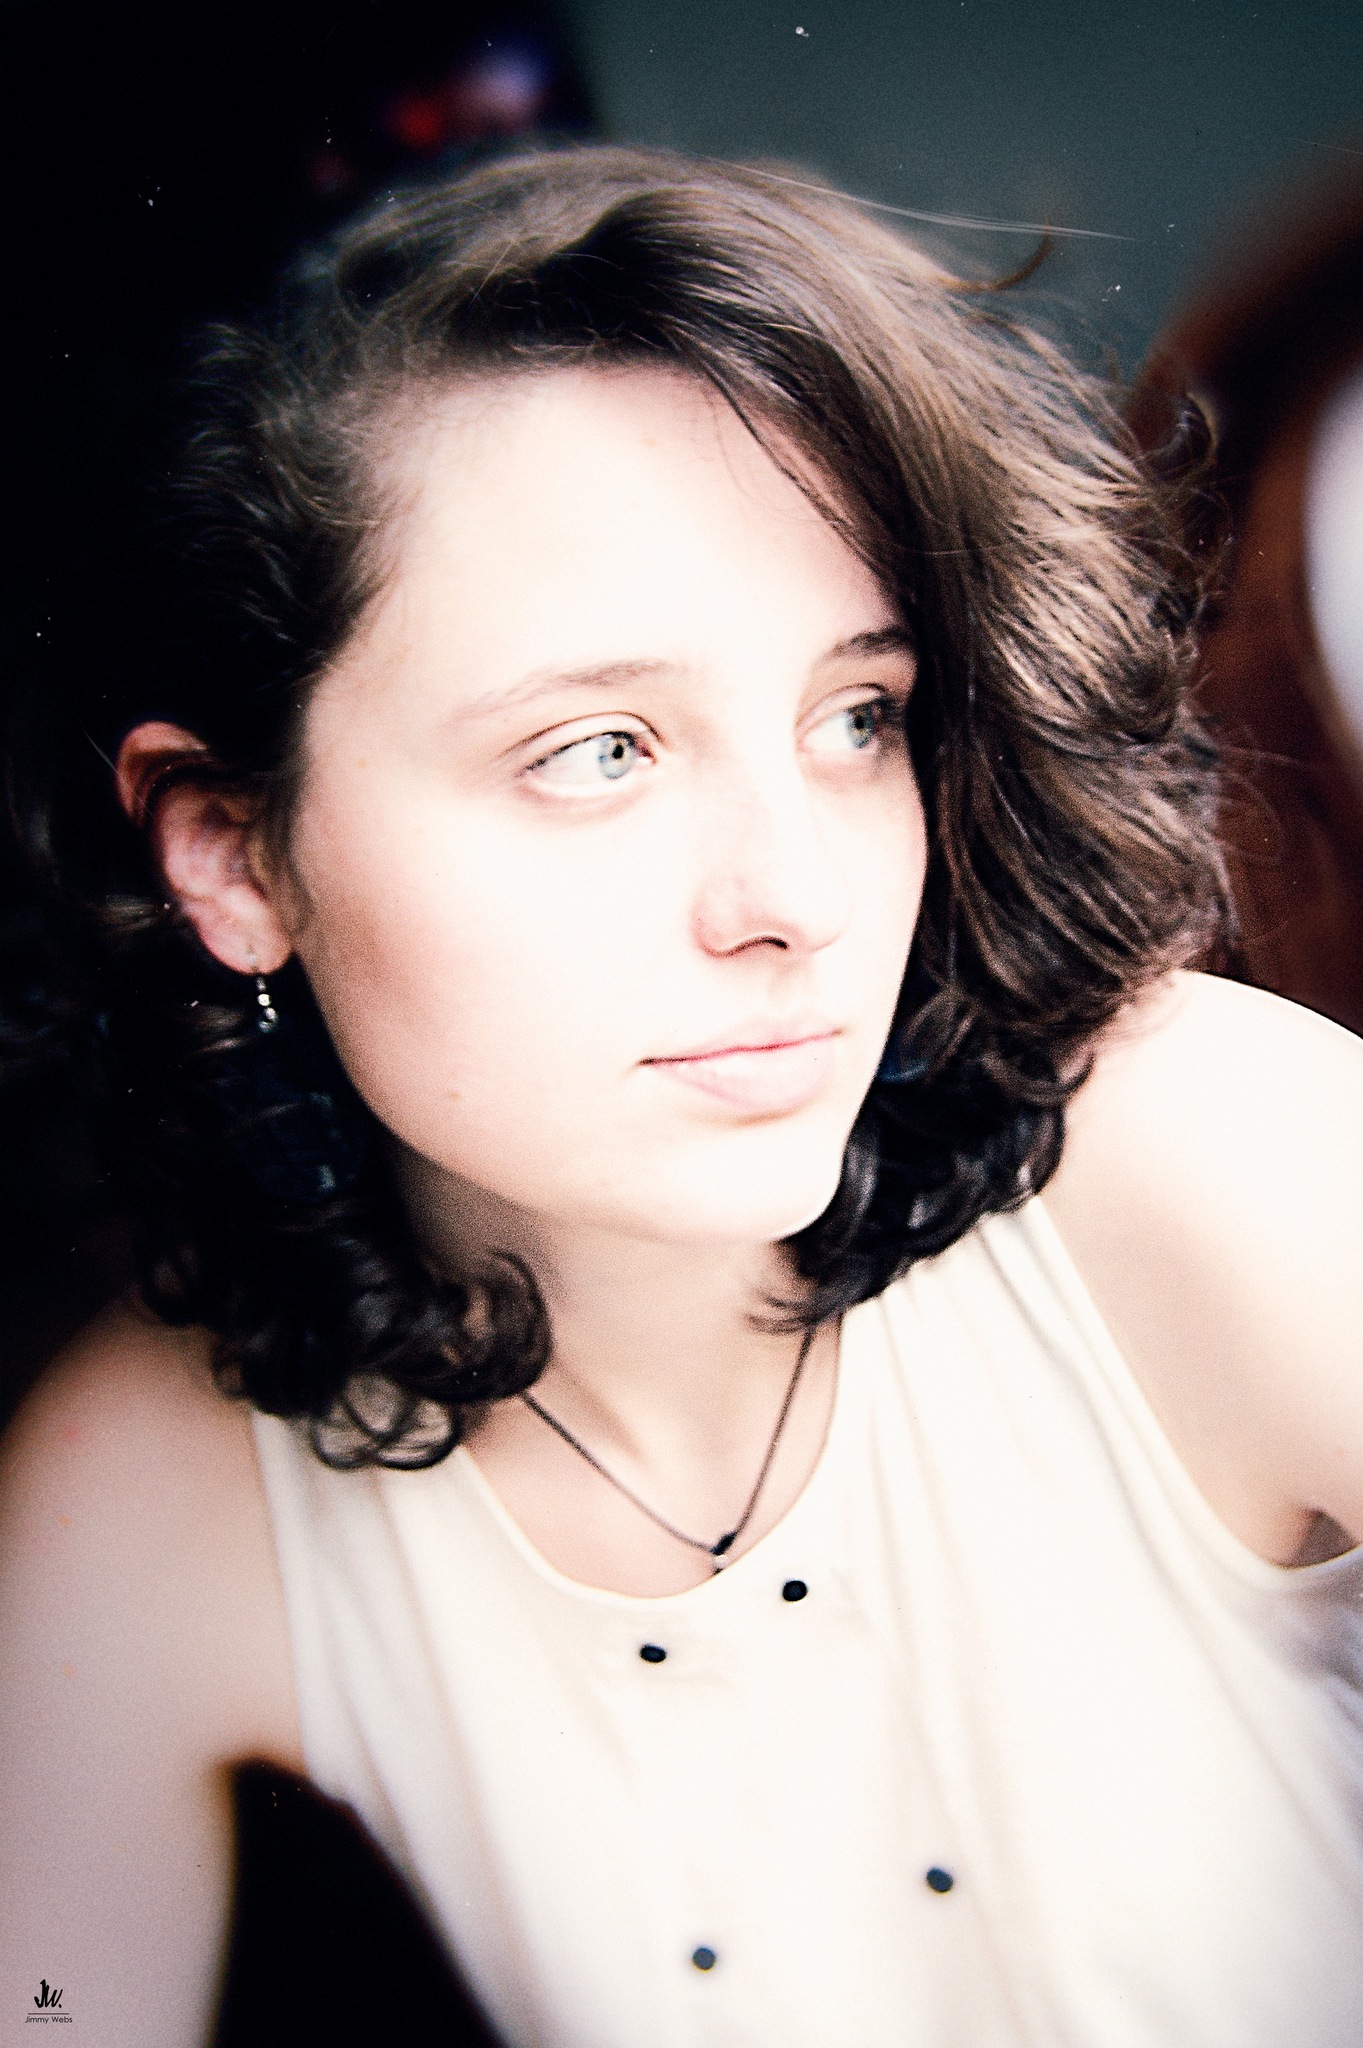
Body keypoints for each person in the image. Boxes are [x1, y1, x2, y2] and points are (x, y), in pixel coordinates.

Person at [2, 144, 1362, 2048]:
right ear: (234, 853)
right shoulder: (158, 1490)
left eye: (855, 717)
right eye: (598, 750)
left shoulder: (1206, 1157)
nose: (795, 898)